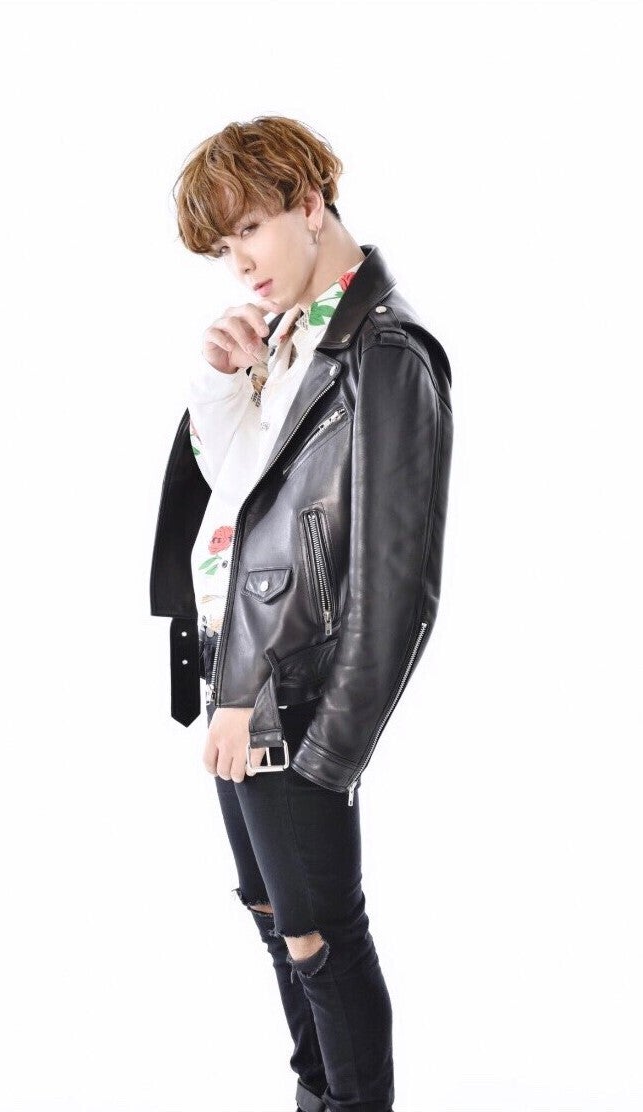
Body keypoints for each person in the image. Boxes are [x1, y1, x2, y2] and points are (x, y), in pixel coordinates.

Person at [149, 115, 454, 1112]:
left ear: (310, 203)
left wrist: (327, 757)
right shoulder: (289, 333)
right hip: (240, 691)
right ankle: (316, 1095)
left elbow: (398, 589)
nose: (239, 264)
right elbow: (239, 495)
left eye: (249, 230)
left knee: (322, 934)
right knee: (275, 915)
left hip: (293, 702)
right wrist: (219, 383)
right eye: (222, 247)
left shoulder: (386, 353)